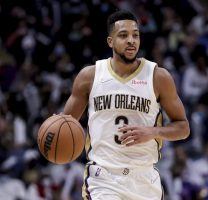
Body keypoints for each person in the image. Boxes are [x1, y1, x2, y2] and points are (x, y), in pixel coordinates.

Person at [63, 10, 190, 200]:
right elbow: (65, 125)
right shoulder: (90, 76)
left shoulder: (158, 77)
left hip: (145, 180)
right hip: (103, 179)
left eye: (135, 35)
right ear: (110, 41)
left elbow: (183, 128)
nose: (131, 40)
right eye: (123, 35)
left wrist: (154, 132)